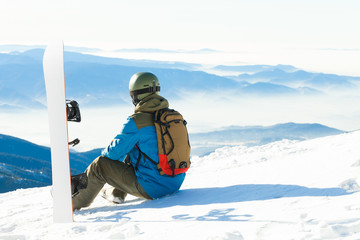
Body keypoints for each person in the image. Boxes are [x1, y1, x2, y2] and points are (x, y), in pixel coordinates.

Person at [72, 72, 186, 210]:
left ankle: (74, 202)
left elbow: (113, 154)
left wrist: (109, 150)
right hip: (175, 182)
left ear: (136, 95)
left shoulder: (137, 121)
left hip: (153, 188)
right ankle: (117, 194)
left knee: (99, 165)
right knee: (135, 150)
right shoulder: (172, 117)